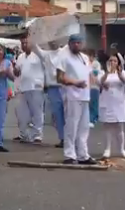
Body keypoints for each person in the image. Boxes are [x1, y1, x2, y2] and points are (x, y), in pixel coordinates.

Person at [56, 34, 97, 165]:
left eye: (79, 43)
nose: (76, 45)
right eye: (74, 43)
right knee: (71, 126)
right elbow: (60, 78)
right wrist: (75, 83)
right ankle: (69, 154)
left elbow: (90, 76)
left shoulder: (84, 57)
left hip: (85, 96)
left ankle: (83, 155)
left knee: (84, 127)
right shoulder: (63, 57)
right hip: (72, 95)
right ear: (69, 43)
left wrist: (92, 92)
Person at [31, 40, 67, 148]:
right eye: (50, 41)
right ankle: (63, 138)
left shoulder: (65, 51)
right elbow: (35, 47)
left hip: (65, 86)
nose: (53, 43)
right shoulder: (46, 54)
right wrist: (32, 34)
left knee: (68, 113)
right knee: (57, 115)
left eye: (55, 40)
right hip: (52, 88)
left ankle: (72, 138)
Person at [13, 37, 45, 143]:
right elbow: (17, 72)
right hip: (23, 87)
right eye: (22, 43)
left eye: (26, 43)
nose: (24, 45)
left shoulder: (38, 55)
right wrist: (15, 69)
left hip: (36, 86)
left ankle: (37, 134)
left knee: (37, 111)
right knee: (23, 113)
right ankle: (24, 134)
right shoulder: (21, 56)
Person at [98, 54, 125, 159]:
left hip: (119, 102)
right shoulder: (103, 72)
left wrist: (120, 72)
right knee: (107, 126)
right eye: (110, 61)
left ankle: (121, 149)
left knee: (119, 126)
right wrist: (107, 73)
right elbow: (100, 81)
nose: (112, 63)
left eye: (115, 61)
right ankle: (107, 149)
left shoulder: (122, 73)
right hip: (106, 101)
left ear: (118, 63)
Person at [87, 49, 101, 128]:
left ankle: (93, 119)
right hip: (88, 87)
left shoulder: (96, 64)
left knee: (94, 103)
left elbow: (95, 74)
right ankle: (90, 118)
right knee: (89, 104)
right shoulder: (87, 63)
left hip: (94, 86)